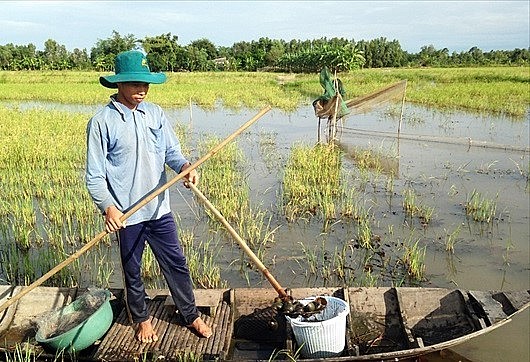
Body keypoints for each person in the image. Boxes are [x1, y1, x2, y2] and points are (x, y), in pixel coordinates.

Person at [85, 50, 212, 343]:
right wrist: (108, 208)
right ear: (118, 84)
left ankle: (190, 314)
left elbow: (172, 153)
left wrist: (184, 167)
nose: (141, 89)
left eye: (146, 84)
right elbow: (94, 175)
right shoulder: (102, 122)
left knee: (176, 263)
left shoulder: (155, 113)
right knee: (133, 269)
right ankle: (140, 318)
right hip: (127, 215)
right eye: (134, 84)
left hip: (158, 209)